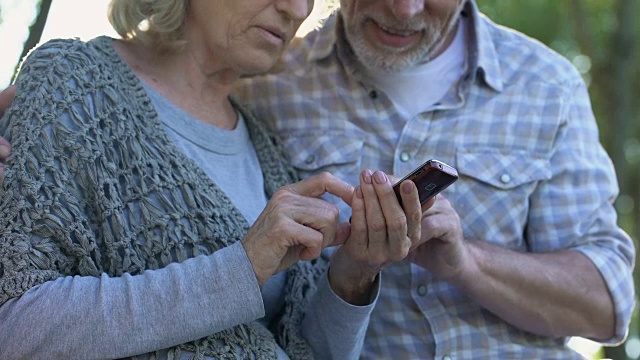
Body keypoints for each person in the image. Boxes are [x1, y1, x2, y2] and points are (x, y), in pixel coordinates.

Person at [0, 0, 428, 359]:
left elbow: (302, 350)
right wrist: (240, 269)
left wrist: (353, 274)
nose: (296, 8)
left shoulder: (265, 145)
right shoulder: (73, 82)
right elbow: (13, 322)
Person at [230, 0, 637, 358]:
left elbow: (607, 306)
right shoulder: (265, 85)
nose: (404, 9)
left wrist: (466, 263)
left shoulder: (548, 86)